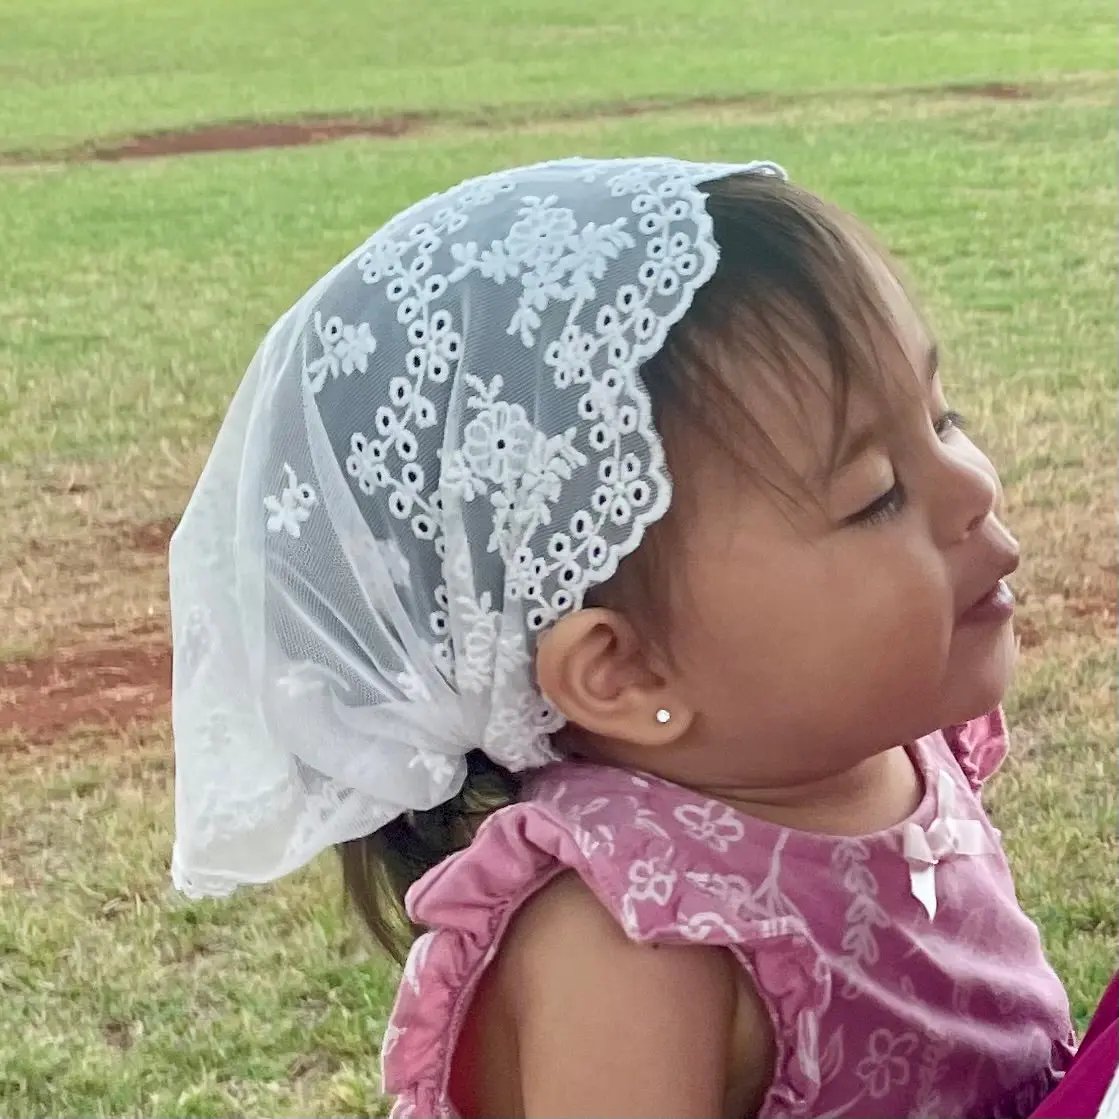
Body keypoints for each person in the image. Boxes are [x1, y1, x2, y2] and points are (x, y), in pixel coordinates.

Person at [168, 157, 1080, 1118]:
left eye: (942, 419)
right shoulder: (637, 943)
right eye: (874, 495)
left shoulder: (880, 747)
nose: (972, 485)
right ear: (622, 671)